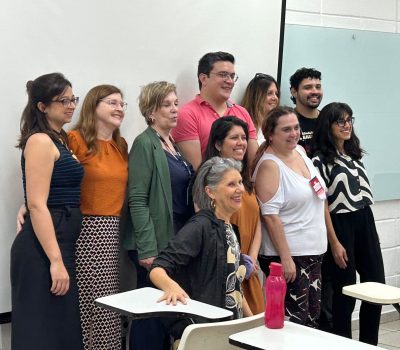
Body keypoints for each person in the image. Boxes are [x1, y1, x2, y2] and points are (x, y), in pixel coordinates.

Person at [11, 72, 83, 349]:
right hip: (43, 250)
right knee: (41, 334)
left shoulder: (59, 138)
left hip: (59, 243)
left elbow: (43, 191)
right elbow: (38, 204)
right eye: (62, 100)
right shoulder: (40, 140)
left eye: (72, 98)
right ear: (42, 106)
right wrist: (55, 261)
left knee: (60, 331)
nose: (71, 105)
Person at [121, 81, 194, 350]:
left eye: (176, 103)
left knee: (168, 310)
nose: (175, 109)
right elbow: (137, 200)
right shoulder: (144, 144)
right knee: (152, 313)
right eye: (167, 105)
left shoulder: (170, 143)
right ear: (151, 111)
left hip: (174, 237)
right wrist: (147, 249)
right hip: (154, 241)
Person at [150, 157, 252, 347]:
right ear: (210, 192)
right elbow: (158, 268)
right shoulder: (200, 226)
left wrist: (253, 323)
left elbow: (234, 287)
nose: (240, 189)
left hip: (229, 333)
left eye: (240, 182)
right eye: (231, 184)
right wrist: (171, 287)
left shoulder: (230, 228)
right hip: (204, 334)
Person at [311, 102, 385, 345]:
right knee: (345, 292)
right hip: (340, 224)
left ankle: (368, 344)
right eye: (340, 121)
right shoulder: (319, 160)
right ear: (328, 126)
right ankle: (343, 343)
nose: (347, 125)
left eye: (349, 119)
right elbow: (322, 205)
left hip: (365, 220)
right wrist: (334, 242)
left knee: (376, 286)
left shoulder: (353, 154)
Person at [252, 106, 327, 327]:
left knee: (311, 319)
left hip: (313, 252)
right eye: (286, 129)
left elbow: (319, 196)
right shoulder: (269, 166)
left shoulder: (301, 153)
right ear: (271, 135)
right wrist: (285, 258)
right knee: (293, 321)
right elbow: (270, 216)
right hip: (290, 255)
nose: (293, 133)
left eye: (296, 127)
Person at [68, 85, 129, 350]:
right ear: (94, 105)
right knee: (88, 301)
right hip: (85, 229)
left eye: (122, 104)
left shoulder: (120, 145)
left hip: (112, 229)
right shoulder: (74, 139)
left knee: (107, 302)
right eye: (113, 103)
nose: (119, 109)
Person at [204, 116, 264, 314]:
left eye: (244, 137)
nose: (241, 143)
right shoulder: (210, 181)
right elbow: (212, 228)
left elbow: (257, 222)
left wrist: (251, 259)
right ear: (218, 144)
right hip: (227, 270)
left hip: (249, 270)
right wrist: (239, 264)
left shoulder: (245, 179)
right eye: (234, 138)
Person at [171, 51, 258, 170]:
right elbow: (197, 171)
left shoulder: (242, 113)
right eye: (223, 75)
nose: (230, 81)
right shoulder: (188, 114)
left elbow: (254, 163)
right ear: (203, 78)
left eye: (232, 76)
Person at [289, 67, 323, 155]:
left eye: (318, 87)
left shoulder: (329, 119)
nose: (315, 91)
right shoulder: (287, 121)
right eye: (308, 87)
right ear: (294, 92)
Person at [241, 73, 280, 144]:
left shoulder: (278, 124)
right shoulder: (243, 126)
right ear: (256, 96)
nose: (275, 98)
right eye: (269, 93)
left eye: (276, 94)